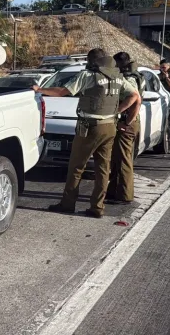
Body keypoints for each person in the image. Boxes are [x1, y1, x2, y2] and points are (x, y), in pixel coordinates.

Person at [33, 48, 141, 218]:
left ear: (92, 61)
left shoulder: (88, 76)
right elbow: (134, 95)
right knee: (103, 169)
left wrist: (40, 90)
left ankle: (67, 204)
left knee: (76, 166)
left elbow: (62, 92)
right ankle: (97, 207)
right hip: (109, 127)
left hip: (89, 127)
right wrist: (117, 112)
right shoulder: (117, 77)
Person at [106, 52, 144, 204]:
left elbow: (136, 100)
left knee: (123, 160)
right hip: (126, 121)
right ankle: (114, 191)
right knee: (116, 159)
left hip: (127, 123)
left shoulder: (129, 78)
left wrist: (124, 119)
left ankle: (124, 195)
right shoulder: (134, 75)